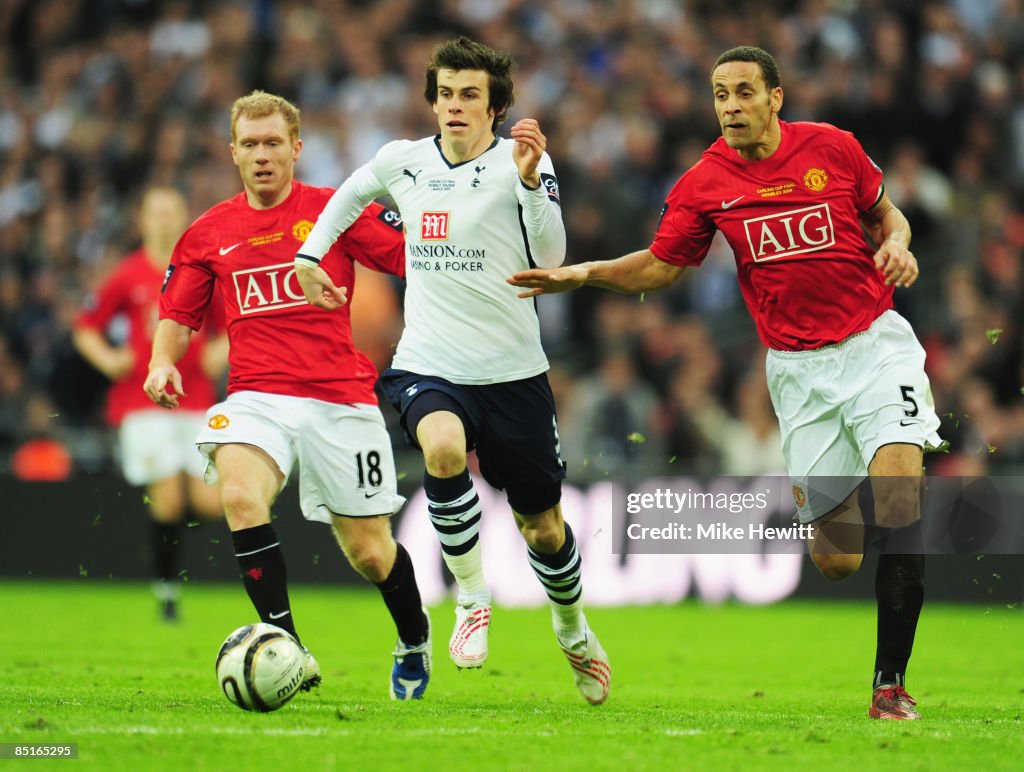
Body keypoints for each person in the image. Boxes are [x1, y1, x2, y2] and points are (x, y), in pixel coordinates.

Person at [509, 45, 941, 720]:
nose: (731, 106)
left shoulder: (833, 147)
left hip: (875, 348)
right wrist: (582, 272)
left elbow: (889, 214)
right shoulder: (705, 182)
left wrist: (900, 243)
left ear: (776, 96)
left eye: (744, 92)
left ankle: (890, 687)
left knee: (900, 500)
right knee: (837, 560)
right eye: (720, 94)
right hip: (799, 374)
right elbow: (660, 268)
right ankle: (844, 479)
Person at [293, 36, 610, 705]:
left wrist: (528, 182)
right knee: (440, 447)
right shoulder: (403, 163)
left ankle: (573, 628)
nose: (455, 106)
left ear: (495, 107)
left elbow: (551, 259)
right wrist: (311, 256)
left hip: (513, 373)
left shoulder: (523, 160)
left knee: (543, 529)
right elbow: (347, 197)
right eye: (445, 94)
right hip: (428, 363)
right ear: (432, 102)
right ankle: (471, 597)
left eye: (470, 95)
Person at [142, 91, 432, 701]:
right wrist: (163, 360)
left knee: (371, 553)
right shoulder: (208, 233)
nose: (263, 155)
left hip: (340, 399)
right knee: (241, 495)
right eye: (250, 144)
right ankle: (288, 647)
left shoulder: (336, 210)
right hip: (256, 397)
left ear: (297, 148)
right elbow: (178, 312)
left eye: (274, 143)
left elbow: (419, 258)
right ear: (233, 153)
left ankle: (414, 638)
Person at [74, 185, 226, 621]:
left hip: (196, 399)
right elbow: (86, 326)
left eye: (171, 212)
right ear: (142, 220)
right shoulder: (127, 275)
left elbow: (232, 322)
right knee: (169, 499)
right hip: (144, 404)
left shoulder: (199, 272)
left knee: (210, 504)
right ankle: (166, 591)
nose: (163, 220)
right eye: (155, 212)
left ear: (183, 218)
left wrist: (223, 350)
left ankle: (169, 577)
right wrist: (110, 359)